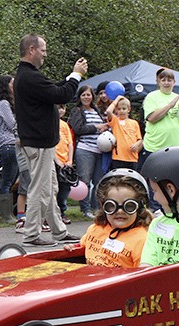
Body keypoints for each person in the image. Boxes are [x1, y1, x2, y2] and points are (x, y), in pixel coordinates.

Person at [13, 33, 86, 246]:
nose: (45, 54)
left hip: (42, 143)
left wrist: (72, 76)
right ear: (31, 50)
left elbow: (54, 89)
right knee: (39, 189)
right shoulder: (30, 77)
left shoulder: (28, 76)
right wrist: (76, 75)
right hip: (39, 143)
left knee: (50, 188)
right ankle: (32, 234)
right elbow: (61, 95)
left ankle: (58, 231)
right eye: (43, 50)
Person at [64, 169, 152, 268]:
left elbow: (143, 275)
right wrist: (72, 248)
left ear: (139, 208)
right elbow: (83, 246)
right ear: (103, 206)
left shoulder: (142, 240)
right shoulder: (95, 229)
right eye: (111, 206)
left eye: (129, 206)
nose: (120, 211)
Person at [137, 68, 179, 213]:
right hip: (155, 146)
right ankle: (156, 208)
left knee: (173, 179)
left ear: (174, 82)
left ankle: (172, 206)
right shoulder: (152, 97)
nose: (166, 83)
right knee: (156, 179)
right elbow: (152, 118)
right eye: (163, 80)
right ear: (158, 82)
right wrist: (170, 105)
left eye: (169, 80)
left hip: (175, 147)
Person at [69, 85, 109, 218]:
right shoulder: (77, 110)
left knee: (98, 181)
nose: (86, 97)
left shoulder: (96, 110)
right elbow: (78, 128)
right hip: (85, 149)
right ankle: (85, 210)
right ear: (79, 97)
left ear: (93, 96)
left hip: (99, 150)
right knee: (84, 180)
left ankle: (96, 209)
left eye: (89, 95)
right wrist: (96, 127)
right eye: (83, 95)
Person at [0, 75, 18, 223]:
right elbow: (12, 124)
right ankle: (6, 215)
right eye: (12, 83)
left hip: (15, 145)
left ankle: (8, 213)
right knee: (7, 180)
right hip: (8, 145)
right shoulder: (3, 104)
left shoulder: (11, 103)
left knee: (12, 179)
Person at [106, 95, 143, 170]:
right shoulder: (115, 121)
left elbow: (140, 139)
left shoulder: (134, 123)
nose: (121, 111)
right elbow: (109, 111)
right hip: (118, 157)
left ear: (128, 109)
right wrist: (117, 99)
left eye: (124, 109)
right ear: (116, 110)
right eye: (119, 109)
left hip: (132, 158)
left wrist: (136, 144)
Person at [56, 104, 74, 224]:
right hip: (55, 160)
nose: (60, 110)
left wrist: (70, 160)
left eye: (62, 108)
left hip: (65, 162)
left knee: (64, 189)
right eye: (58, 108)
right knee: (54, 189)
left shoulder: (65, 125)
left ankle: (62, 213)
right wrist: (56, 160)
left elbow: (70, 144)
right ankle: (53, 215)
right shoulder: (50, 123)